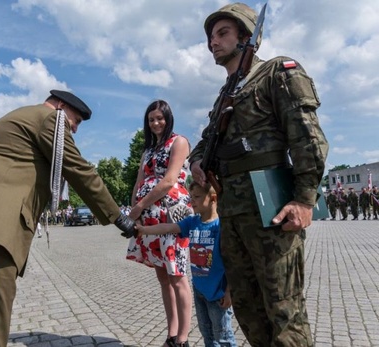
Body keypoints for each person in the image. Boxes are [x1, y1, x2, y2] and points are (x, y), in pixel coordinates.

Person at [0, 89, 136, 346]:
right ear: (60, 106)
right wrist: (119, 217)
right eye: (76, 121)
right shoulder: (50, 119)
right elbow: (79, 170)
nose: (75, 129)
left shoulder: (23, 117)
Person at [188, 3, 329, 346]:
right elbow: (206, 141)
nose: (213, 42)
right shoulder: (225, 95)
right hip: (233, 218)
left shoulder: (278, 72)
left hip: (273, 213)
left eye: (222, 33)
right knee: (249, 311)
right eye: (210, 37)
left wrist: (304, 200)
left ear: (247, 37)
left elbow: (308, 139)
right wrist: (195, 161)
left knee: (284, 312)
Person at [136, 181, 237, 347]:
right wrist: (144, 230)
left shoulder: (220, 226)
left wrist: (229, 292)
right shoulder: (192, 222)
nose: (192, 201)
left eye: (197, 197)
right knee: (207, 335)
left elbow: (232, 262)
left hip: (217, 293)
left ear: (213, 198)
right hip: (200, 291)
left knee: (223, 337)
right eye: (191, 197)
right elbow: (168, 228)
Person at [126, 100, 192, 347]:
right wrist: (135, 210)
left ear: (168, 118)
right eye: (151, 119)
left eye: (159, 118)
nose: (155, 123)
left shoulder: (179, 142)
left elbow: (169, 180)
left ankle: (183, 338)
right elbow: (139, 181)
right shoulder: (148, 151)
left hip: (171, 213)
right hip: (150, 216)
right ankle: (171, 334)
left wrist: (140, 206)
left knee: (177, 275)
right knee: (163, 277)